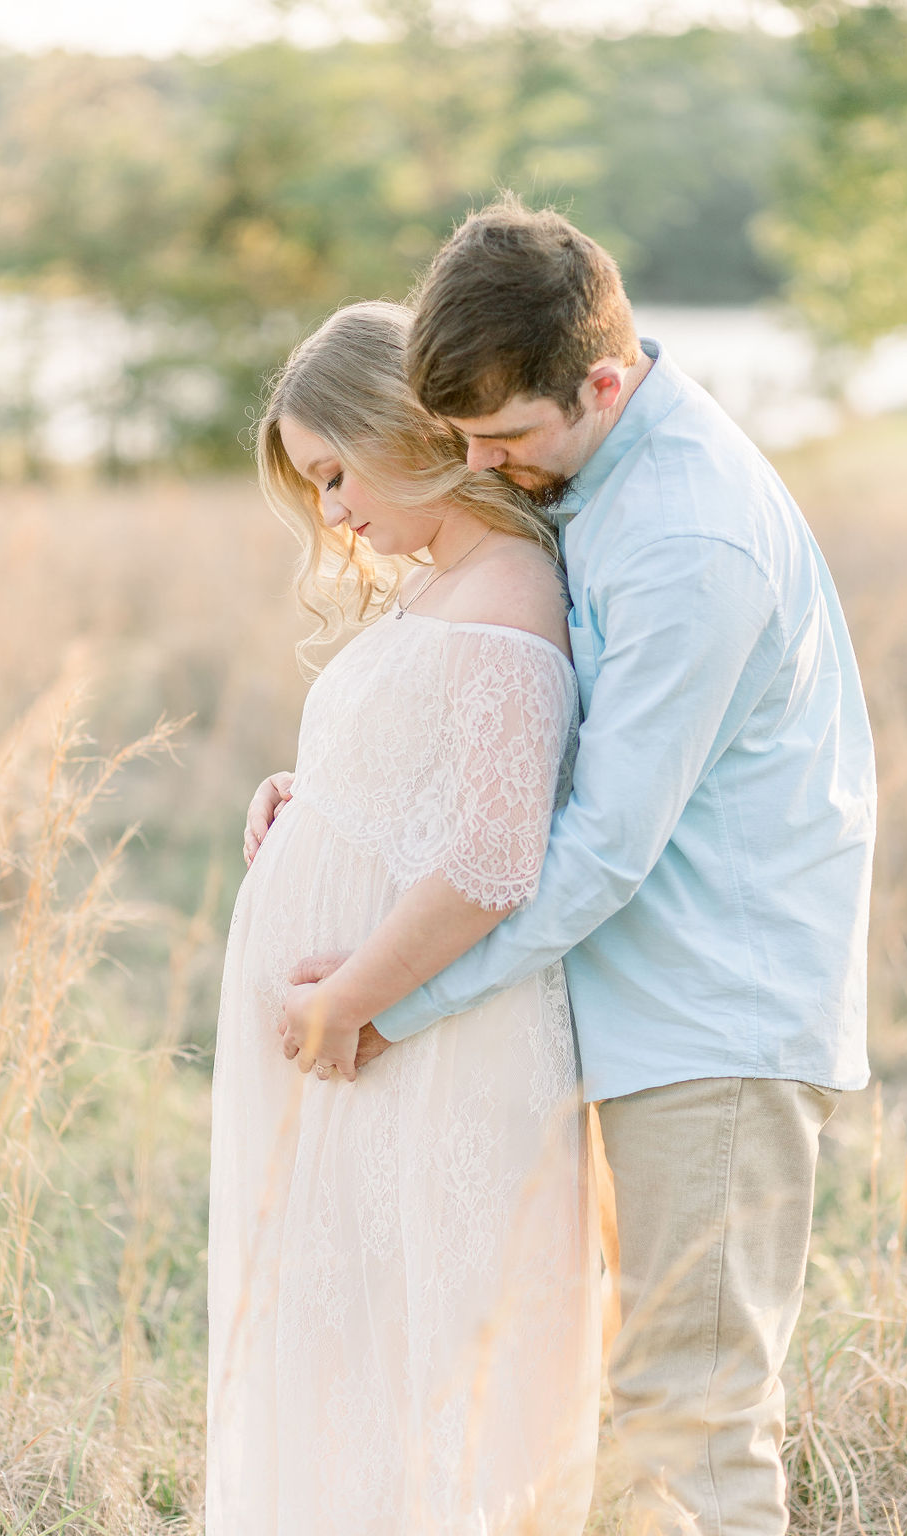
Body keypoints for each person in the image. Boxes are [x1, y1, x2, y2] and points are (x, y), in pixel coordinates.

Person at [263, 198, 877, 1536]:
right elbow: (536, 751)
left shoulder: (684, 540)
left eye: (501, 441)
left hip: (712, 1025)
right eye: (461, 442)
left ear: (602, 380)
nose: (483, 466)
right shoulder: (604, 475)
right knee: (629, 1416)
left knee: (694, 1429)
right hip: (634, 1015)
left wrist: (390, 1001)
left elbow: (597, 849)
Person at [207, 299, 600, 1536]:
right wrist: (309, 797)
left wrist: (344, 997)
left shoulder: (509, 590)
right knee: (347, 1323)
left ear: (407, 426)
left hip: (416, 1042)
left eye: (335, 472)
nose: (331, 513)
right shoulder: (449, 583)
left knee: (423, 1330)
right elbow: (426, 781)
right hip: (365, 1040)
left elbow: (491, 857)